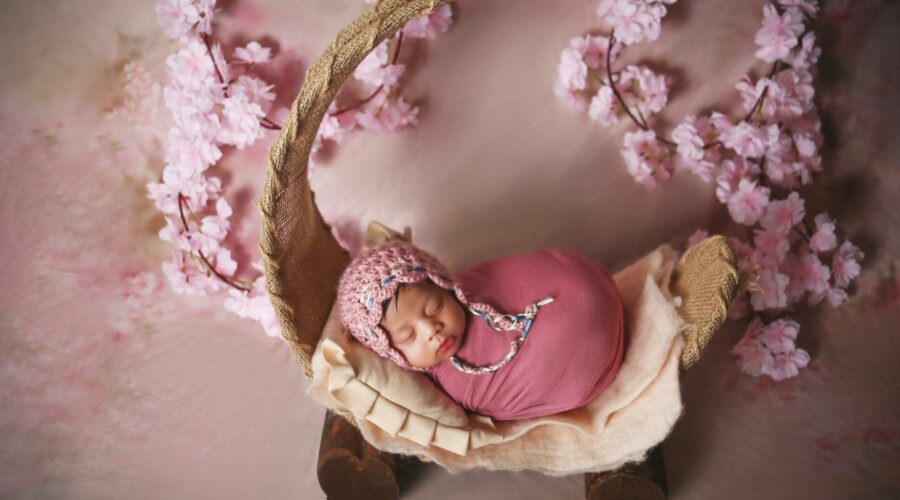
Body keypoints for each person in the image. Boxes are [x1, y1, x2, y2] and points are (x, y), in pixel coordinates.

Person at [337, 240, 625, 421]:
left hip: (587, 287)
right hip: (589, 348)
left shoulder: (476, 283)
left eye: (435, 307)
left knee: (576, 292)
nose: (431, 330)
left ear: (446, 285)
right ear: (392, 354)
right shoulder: (461, 384)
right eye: (408, 337)